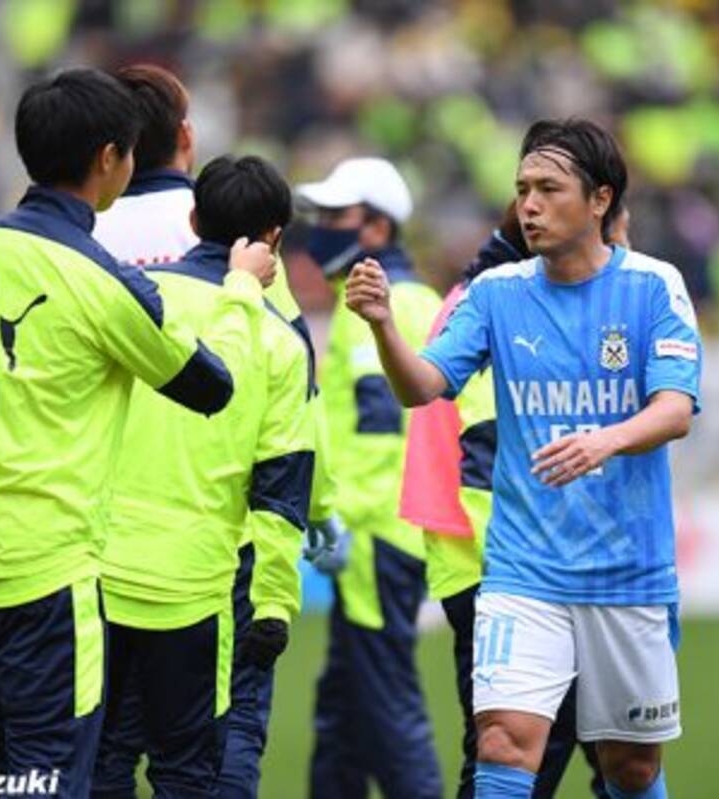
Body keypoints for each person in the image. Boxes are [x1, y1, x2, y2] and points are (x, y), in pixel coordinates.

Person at [344, 118, 701, 799]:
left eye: (548, 189)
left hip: (627, 571)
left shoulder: (654, 287)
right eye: (522, 189)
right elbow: (422, 386)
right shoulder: (496, 292)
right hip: (522, 568)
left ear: (599, 199)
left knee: (631, 767)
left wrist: (605, 439)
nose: (528, 205)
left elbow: (675, 408)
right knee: (503, 743)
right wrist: (384, 325)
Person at [0, 68, 273, 798]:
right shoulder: (105, 284)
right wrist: (241, 291)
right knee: (54, 774)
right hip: (49, 578)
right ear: (109, 159)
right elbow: (212, 386)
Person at [92, 64, 339, 798]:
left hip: (99, 555)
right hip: (207, 575)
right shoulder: (268, 318)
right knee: (209, 753)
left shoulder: (115, 273)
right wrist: (286, 580)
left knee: (103, 752)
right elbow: (289, 451)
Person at [400, 201, 617, 799]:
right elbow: (487, 449)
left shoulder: (477, 296)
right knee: (522, 753)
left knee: (584, 751)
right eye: (614, 238)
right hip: (508, 565)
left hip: (479, 557)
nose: (616, 257)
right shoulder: (507, 310)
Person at [298, 157, 443, 799]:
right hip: (381, 535)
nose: (321, 227)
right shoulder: (408, 302)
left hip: (377, 536)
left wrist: (338, 517)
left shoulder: (387, 309)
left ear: (379, 229)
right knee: (342, 717)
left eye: (338, 215)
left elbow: (382, 434)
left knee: (387, 714)